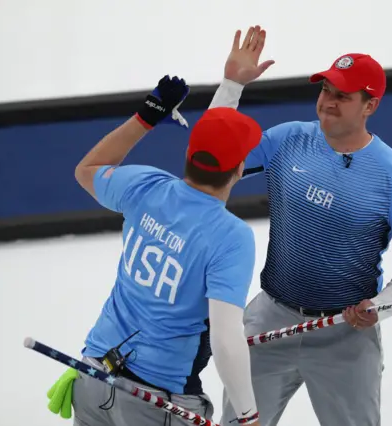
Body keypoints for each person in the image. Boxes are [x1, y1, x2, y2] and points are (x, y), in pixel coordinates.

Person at [208, 26, 392, 426]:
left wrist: (379, 308)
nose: (328, 103)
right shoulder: (286, 140)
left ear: (370, 106)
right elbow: (211, 156)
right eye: (326, 90)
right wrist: (231, 85)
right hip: (270, 321)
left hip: (344, 335)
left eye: (342, 96)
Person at [49, 75, 264, 425]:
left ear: (187, 155)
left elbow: (86, 170)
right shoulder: (230, 237)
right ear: (240, 170)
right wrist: (248, 416)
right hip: (157, 403)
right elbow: (226, 341)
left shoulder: (146, 186)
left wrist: (147, 116)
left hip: (92, 377)